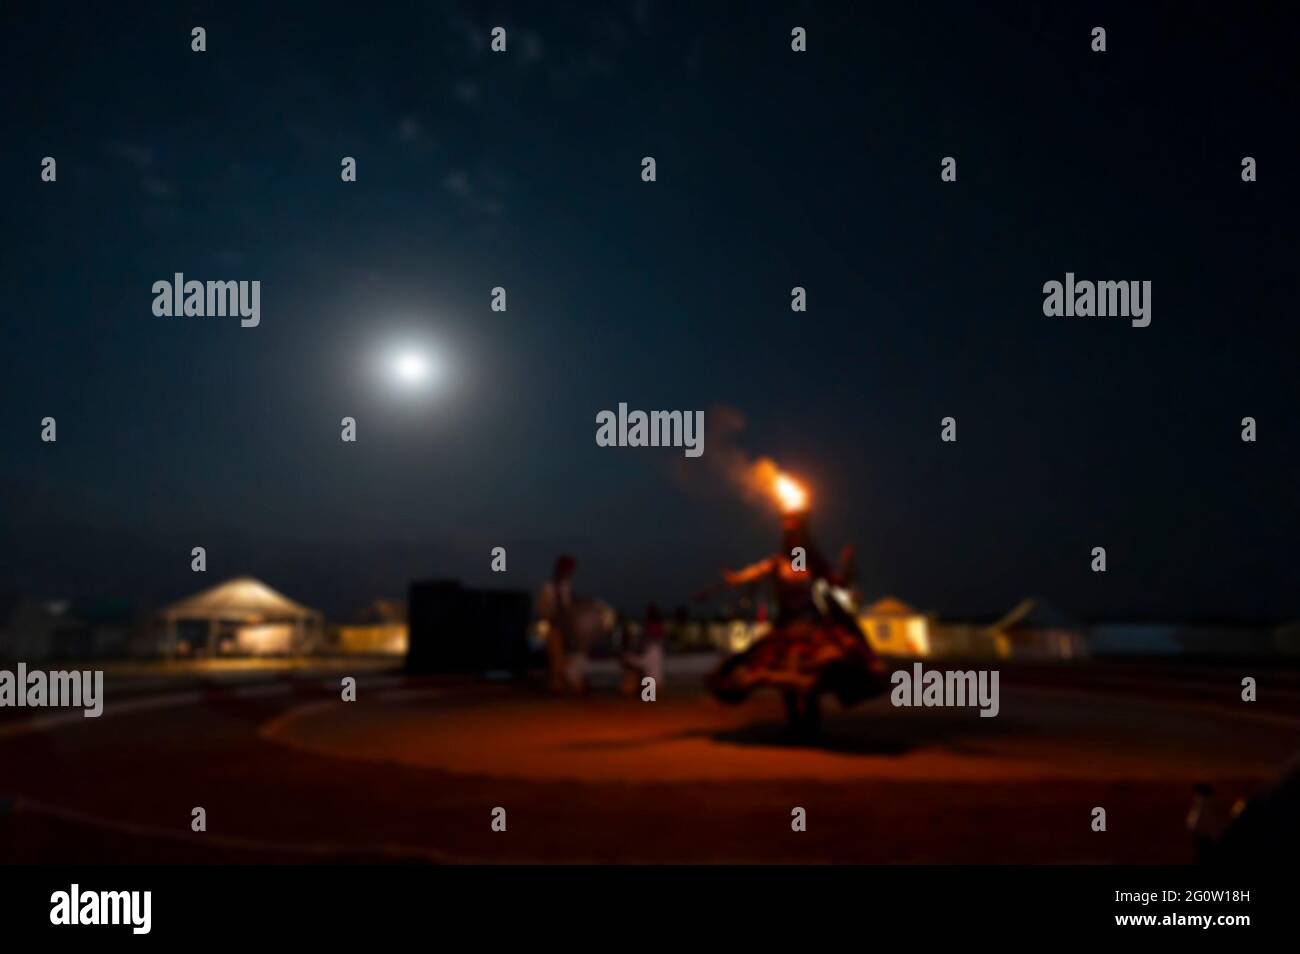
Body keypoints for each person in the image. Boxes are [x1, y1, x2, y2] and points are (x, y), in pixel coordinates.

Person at [706, 511, 888, 738]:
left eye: (795, 532)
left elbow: (837, 582)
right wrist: (735, 578)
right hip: (785, 627)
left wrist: (847, 562)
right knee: (784, 678)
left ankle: (811, 724)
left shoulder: (807, 561)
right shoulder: (777, 562)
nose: (791, 537)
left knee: (812, 677)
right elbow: (753, 573)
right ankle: (794, 723)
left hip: (812, 626)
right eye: (788, 533)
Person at [536, 555, 577, 693]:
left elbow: (568, 606)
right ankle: (556, 684)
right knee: (555, 655)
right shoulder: (549, 587)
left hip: (565, 626)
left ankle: (561, 683)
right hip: (554, 625)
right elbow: (542, 607)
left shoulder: (566, 586)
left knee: (564, 655)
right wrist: (551, 617)